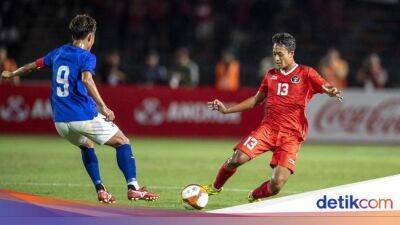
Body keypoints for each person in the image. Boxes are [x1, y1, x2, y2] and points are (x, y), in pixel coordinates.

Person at [0, 14, 159, 203]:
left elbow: (32, 66)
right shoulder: (87, 57)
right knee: (123, 142)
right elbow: (86, 79)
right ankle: (133, 188)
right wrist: (104, 107)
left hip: (60, 122)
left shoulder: (58, 52)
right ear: (90, 36)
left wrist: (12, 74)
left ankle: (100, 189)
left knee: (86, 145)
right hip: (83, 116)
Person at [203, 33, 342, 202]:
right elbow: (256, 100)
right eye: (274, 53)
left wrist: (330, 90)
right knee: (237, 158)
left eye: (280, 54)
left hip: (291, 136)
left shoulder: (306, 73)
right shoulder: (270, 75)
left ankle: (254, 196)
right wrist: (227, 110)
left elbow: (325, 85)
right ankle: (215, 188)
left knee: (277, 184)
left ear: (291, 53)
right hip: (267, 129)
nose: (276, 57)